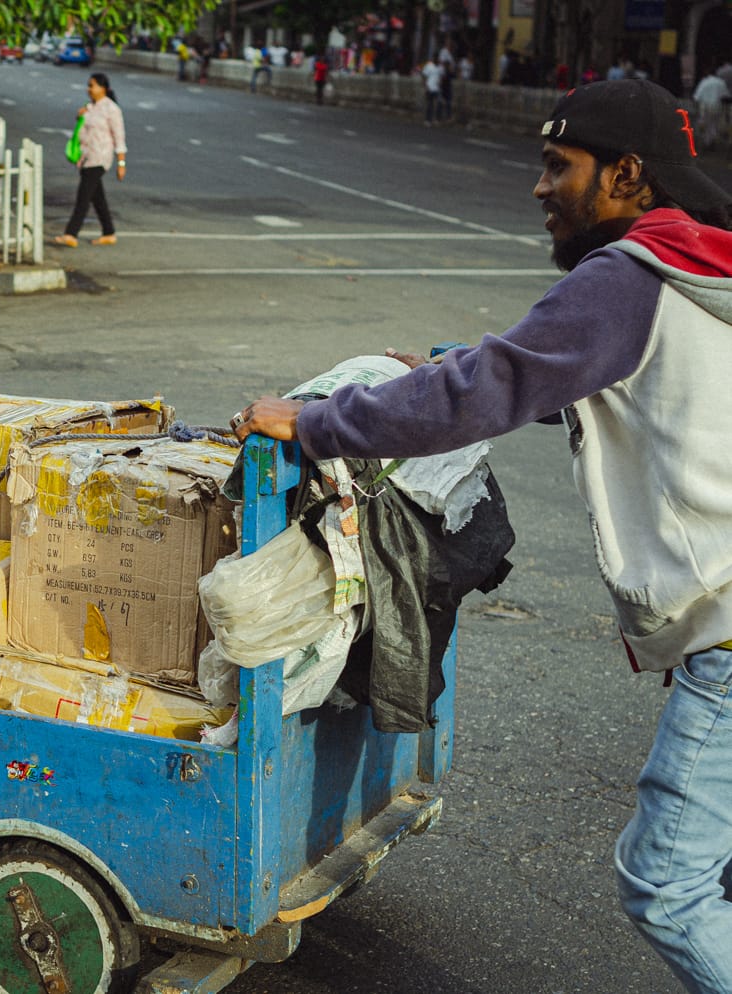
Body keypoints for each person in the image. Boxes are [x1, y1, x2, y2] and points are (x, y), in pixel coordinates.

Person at [230, 79, 732, 994]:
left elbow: (490, 392)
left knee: (667, 883)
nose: (540, 187)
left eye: (557, 166)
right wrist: (450, 365)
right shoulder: (709, 266)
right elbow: (562, 372)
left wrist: (314, 424)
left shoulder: (630, 276)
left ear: (626, 175)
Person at [51, 72, 126, 249]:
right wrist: (80, 116)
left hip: (100, 158)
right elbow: (83, 130)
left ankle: (71, 234)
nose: (89, 89)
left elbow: (119, 137)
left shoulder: (112, 109)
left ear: (103, 88)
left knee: (83, 196)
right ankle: (109, 232)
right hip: (86, 157)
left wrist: (121, 163)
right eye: (88, 85)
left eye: (92, 85)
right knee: (97, 197)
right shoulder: (90, 107)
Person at [692, 70, 728, 148]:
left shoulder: (704, 82)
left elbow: (697, 96)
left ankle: (706, 142)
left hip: (704, 106)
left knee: (706, 124)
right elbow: (725, 96)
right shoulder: (721, 82)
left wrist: (696, 107)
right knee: (713, 124)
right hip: (716, 105)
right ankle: (711, 141)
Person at [420, 55, 445, 125]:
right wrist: (425, 85)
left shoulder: (440, 67)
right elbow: (424, 76)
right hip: (430, 87)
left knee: (439, 104)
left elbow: (441, 77)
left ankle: (436, 119)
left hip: (437, 88)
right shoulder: (429, 66)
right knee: (430, 104)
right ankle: (428, 120)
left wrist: (440, 84)